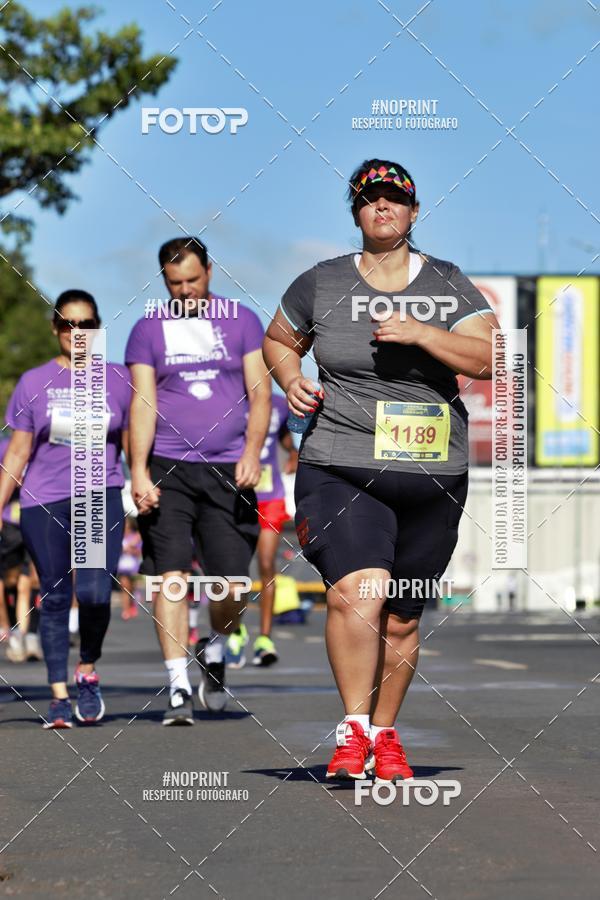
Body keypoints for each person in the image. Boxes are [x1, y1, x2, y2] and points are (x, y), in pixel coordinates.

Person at [263, 159, 499, 781]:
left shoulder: (446, 283)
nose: (382, 207)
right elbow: (279, 340)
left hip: (431, 472)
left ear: (414, 212)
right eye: (369, 200)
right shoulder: (321, 282)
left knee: (402, 610)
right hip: (340, 461)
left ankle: (386, 734)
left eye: (394, 199)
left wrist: (422, 332)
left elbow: (493, 359)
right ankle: (353, 729)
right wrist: (292, 379)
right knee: (358, 593)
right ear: (356, 213)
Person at [126, 237, 270, 725]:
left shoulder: (243, 321)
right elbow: (142, 405)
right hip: (168, 467)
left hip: (230, 469)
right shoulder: (148, 329)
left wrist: (252, 452)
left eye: (193, 279)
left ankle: (213, 647)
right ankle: (177, 686)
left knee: (229, 584)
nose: (185, 290)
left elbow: (260, 395)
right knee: (171, 580)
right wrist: (139, 471)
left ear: (210, 270)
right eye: (174, 283)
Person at [0, 290, 130, 728]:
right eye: (69, 325)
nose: (78, 334)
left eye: (87, 325)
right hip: (43, 499)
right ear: (56, 328)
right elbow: (17, 453)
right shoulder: (33, 383)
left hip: (100, 495)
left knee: (94, 593)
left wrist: (144, 482)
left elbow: (133, 444)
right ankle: (58, 695)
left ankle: (87, 668)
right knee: (54, 597)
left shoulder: (118, 380)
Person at [242, 392, 297, 667]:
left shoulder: (277, 403)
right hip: (237, 494)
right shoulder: (231, 399)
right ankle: (234, 629)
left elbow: (286, 436)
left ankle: (265, 639)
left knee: (266, 565)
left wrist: (294, 452)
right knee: (235, 568)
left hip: (270, 496)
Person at [118, 516, 142, 619]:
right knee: (125, 588)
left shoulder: (135, 537)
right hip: (122, 566)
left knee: (131, 587)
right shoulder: (118, 536)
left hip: (133, 566)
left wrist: (131, 550)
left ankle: (133, 601)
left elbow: (139, 552)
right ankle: (126, 610)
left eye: (127, 524)